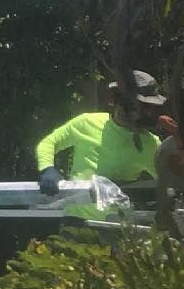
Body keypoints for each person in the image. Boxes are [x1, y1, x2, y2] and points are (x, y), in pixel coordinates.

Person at [36, 70, 166, 215]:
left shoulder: (150, 144)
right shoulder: (86, 122)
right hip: (75, 222)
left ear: (145, 110)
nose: (124, 111)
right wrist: (47, 168)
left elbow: (169, 181)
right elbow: (49, 142)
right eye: (122, 103)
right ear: (115, 100)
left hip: (118, 227)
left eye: (133, 107)